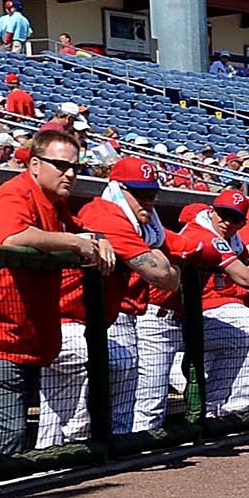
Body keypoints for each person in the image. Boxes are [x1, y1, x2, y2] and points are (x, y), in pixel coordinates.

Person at [0, 127, 117, 456]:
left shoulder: (54, 204)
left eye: (75, 167)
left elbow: (81, 228)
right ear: (34, 164)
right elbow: (14, 237)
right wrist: (78, 243)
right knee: (6, 439)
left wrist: (96, 237)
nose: (70, 174)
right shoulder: (16, 193)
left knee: (22, 436)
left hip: (29, 336)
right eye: (61, 165)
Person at [74, 155, 185, 435]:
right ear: (118, 189)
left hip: (117, 317)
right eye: (138, 193)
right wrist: (169, 267)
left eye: (151, 194)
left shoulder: (145, 228)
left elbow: (189, 246)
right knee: (79, 410)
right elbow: (162, 276)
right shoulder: (105, 214)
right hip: (84, 319)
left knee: (122, 398)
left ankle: (119, 459)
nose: (147, 200)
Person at [170, 183, 249, 418]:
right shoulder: (201, 231)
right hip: (157, 318)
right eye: (223, 214)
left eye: (234, 218)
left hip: (184, 321)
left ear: (242, 224)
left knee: (248, 336)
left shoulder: (235, 242)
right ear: (212, 211)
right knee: (144, 397)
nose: (227, 221)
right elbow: (248, 280)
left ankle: (219, 410)